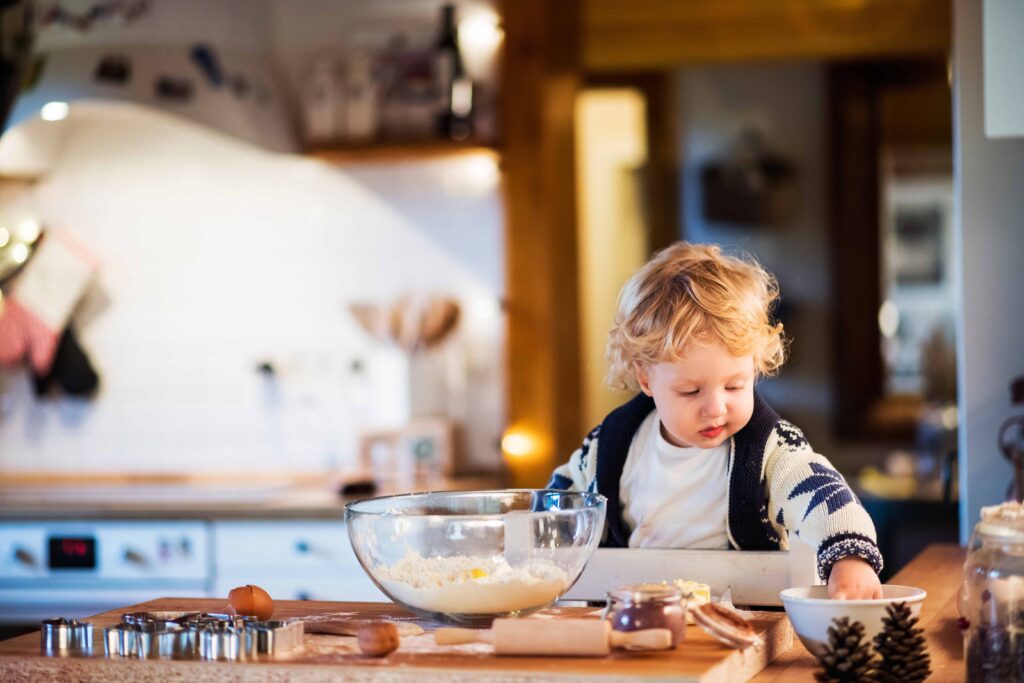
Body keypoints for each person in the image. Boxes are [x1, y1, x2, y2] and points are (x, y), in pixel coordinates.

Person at [548, 242, 883, 599]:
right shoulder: (609, 446)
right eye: (691, 391)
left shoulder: (773, 448)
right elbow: (557, 510)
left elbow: (822, 494)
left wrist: (850, 557)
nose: (715, 408)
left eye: (734, 385)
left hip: (747, 619)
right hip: (631, 617)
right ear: (645, 378)